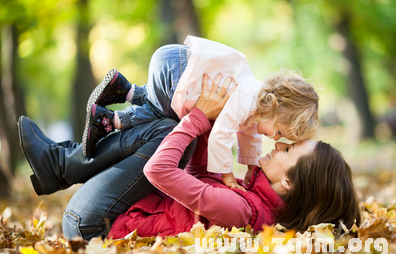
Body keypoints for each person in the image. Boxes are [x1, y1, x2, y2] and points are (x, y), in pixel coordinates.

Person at [18, 73, 359, 241]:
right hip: (112, 215)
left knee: (168, 130)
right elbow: (196, 170)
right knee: (171, 125)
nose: (277, 145)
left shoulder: (242, 210)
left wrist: (196, 118)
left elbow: (159, 172)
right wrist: (222, 110)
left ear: (288, 181)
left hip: (92, 227)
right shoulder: (254, 199)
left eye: (286, 150)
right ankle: (60, 165)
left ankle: (61, 165)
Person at [83, 36, 319, 190]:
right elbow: (221, 136)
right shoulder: (247, 100)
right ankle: (108, 121)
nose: (275, 139)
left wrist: (249, 166)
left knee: (160, 98)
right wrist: (227, 176)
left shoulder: (257, 105)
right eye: (278, 131)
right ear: (275, 107)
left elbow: (250, 136)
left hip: (175, 62)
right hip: (178, 68)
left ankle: (122, 88)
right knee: (162, 113)